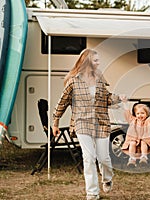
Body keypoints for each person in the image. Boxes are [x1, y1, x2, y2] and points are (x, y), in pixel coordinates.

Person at [52, 49, 121, 200]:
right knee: (89, 157)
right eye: (96, 60)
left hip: (100, 122)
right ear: (87, 61)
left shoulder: (100, 79)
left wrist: (119, 99)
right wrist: (55, 121)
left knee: (103, 158)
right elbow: (62, 102)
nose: (98, 63)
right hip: (82, 122)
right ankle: (92, 192)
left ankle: (107, 178)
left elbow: (107, 98)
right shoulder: (73, 81)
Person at [120, 98, 150, 167]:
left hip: (145, 139)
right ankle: (132, 159)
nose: (140, 115)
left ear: (146, 114)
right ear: (135, 114)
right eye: (138, 113)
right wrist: (125, 103)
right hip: (133, 138)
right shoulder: (133, 120)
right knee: (132, 143)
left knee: (143, 142)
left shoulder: (148, 121)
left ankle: (144, 157)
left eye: (142, 113)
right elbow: (127, 113)